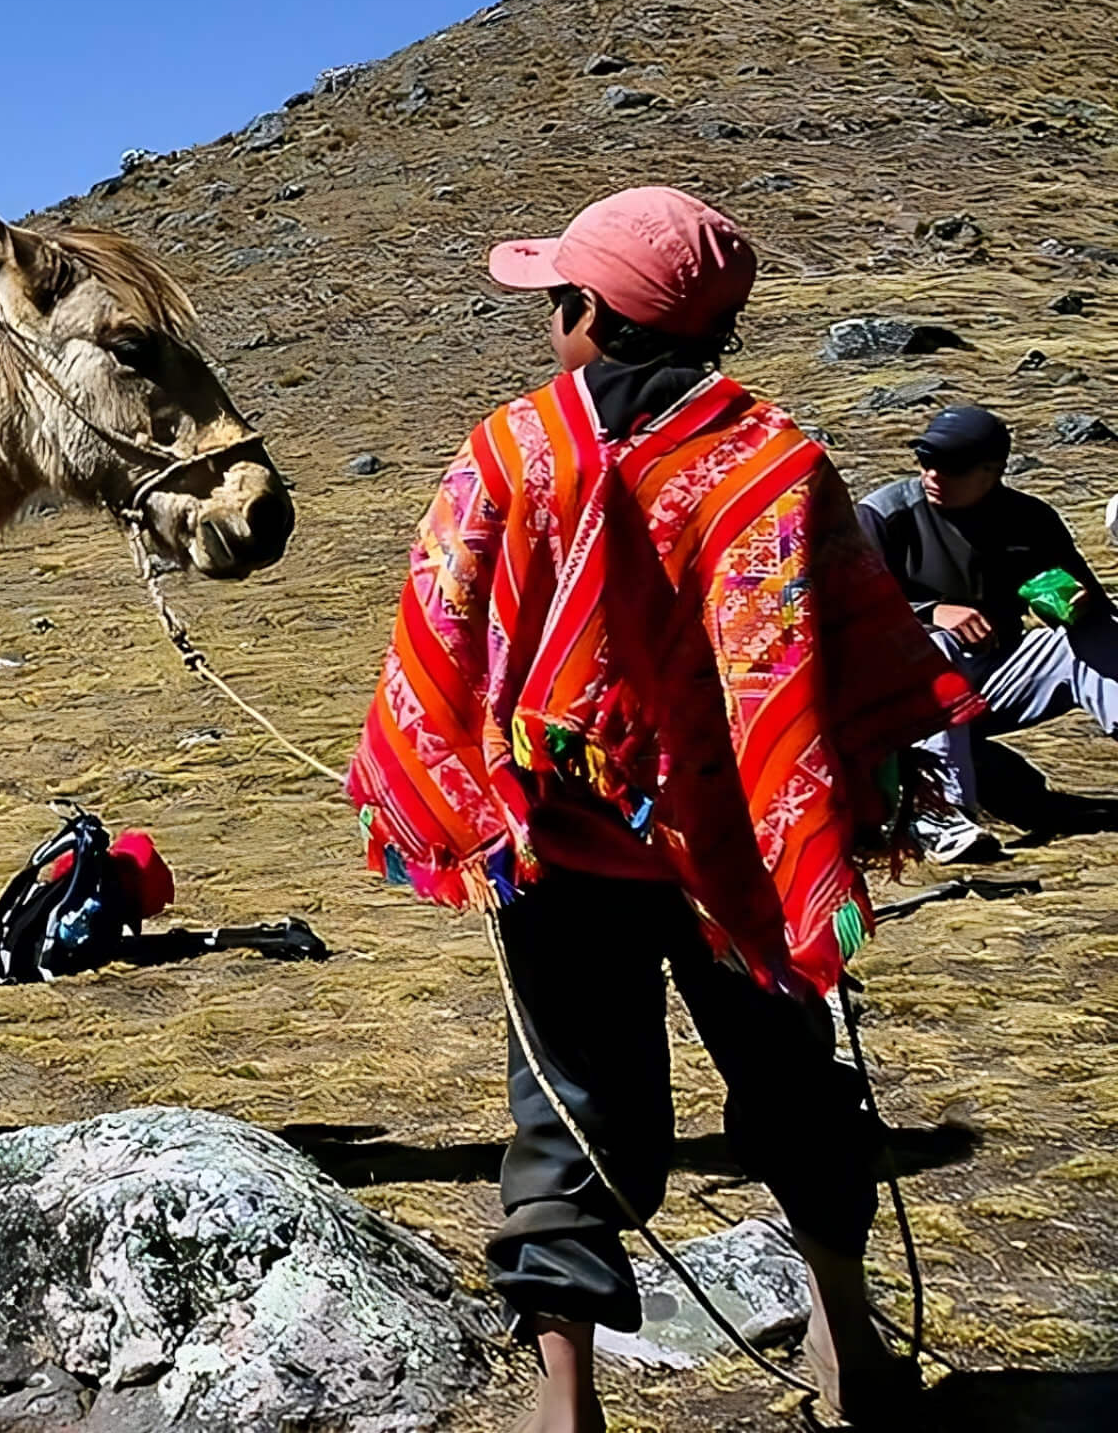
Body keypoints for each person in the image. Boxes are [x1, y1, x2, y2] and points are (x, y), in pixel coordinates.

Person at [345, 186, 976, 1433]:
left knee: (567, 1105)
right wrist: (841, 797)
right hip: (747, 854)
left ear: (585, 313)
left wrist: (464, 793)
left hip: (565, 854)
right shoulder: (779, 460)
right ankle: (850, 1345)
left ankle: (562, 1399)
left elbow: (445, 639)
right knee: (798, 1090)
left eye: (555, 301)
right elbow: (847, 649)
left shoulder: (514, 451)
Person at [858, 404, 1118, 860]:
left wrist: (1071, 603)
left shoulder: (1030, 518)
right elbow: (844, 610)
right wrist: (930, 611)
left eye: (951, 467)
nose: (933, 474)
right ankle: (944, 814)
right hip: (896, 696)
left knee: (1097, 636)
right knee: (934, 644)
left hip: (998, 673)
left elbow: (1083, 603)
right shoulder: (884, 515)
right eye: (925, 461)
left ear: (993, 471)